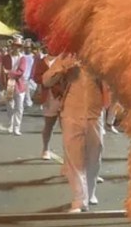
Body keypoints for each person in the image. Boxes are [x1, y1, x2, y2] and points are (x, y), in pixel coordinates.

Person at [43, 52, 105, 211]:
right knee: (74, 159)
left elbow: (113, 82)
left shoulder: (101, 54)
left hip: (94, 114)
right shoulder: (65, 57)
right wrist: (63, 69)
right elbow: (46, 80)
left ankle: (90, 192)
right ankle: (79, 199)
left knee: (94, 157)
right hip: (71, 114)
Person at [5, 35, 32, 135]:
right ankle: (10, 125)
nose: (17, 47)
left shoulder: (22, 58)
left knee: (19, 107)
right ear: (12, 46)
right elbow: (2, 70)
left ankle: (17, 127)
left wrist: (9, 73)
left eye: (18, 46)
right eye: (15, 45)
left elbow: (21, 71)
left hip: (19, 85)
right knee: (9, 106)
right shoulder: (6, 57)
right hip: (9, 84)